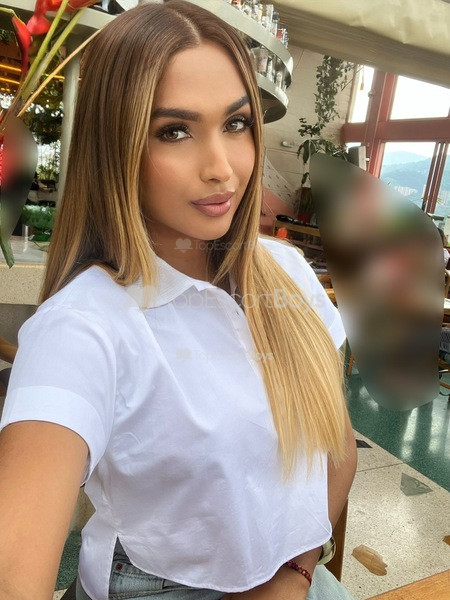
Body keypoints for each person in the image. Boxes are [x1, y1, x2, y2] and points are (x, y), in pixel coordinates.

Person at [0, 2, 357, 599]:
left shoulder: (288, 273)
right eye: (174, 131)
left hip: (294, 570)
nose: (222, 168)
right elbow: (14, 567)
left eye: (236, 124)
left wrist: (294, 575)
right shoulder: (85, 325)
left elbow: (337, 449)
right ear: (116, 148)